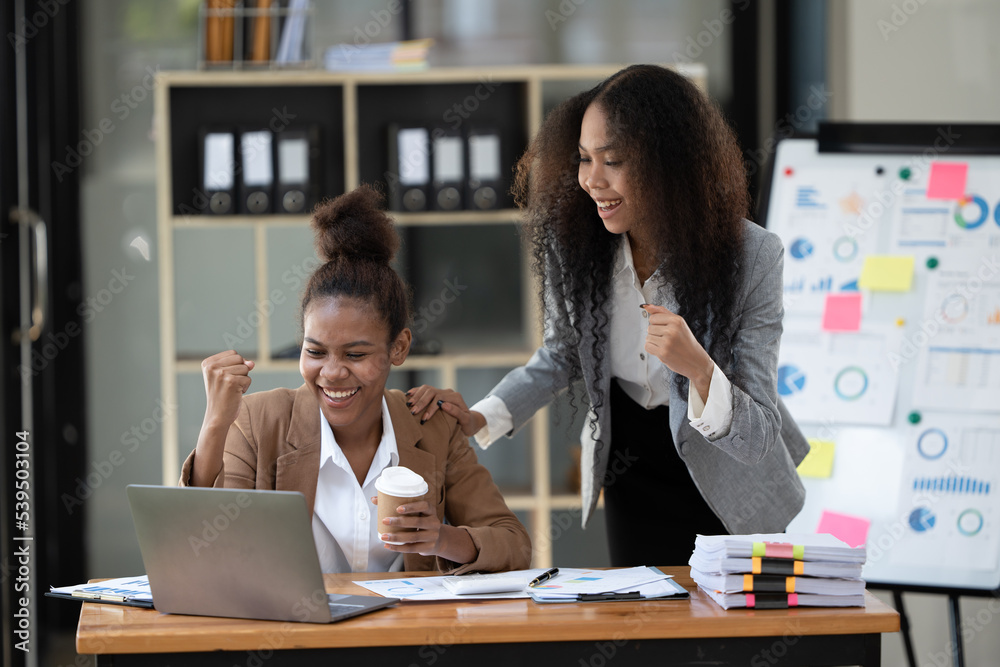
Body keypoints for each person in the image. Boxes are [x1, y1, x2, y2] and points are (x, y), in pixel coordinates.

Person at [407, 64, 809, 567]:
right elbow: (562, 354)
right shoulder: (575, 245)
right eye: (583, 159)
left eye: (613, 160)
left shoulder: (753, 255)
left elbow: (759, 433)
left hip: (730, 478)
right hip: (629, 465)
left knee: (725, 633)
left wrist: (701, 370)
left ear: (669, 163)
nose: (592, 181)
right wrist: (481, 415)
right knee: (643, 624)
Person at [181, 184, 531, 574]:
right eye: (315, 351)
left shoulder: (431, 426)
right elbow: (204, 553)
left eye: (355, 354)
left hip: (406, 634)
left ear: (398, 348)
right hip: (298, 633)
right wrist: (215, 424)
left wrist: (441, 539)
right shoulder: (259, 421)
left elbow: (514, 544)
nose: (332, 373)